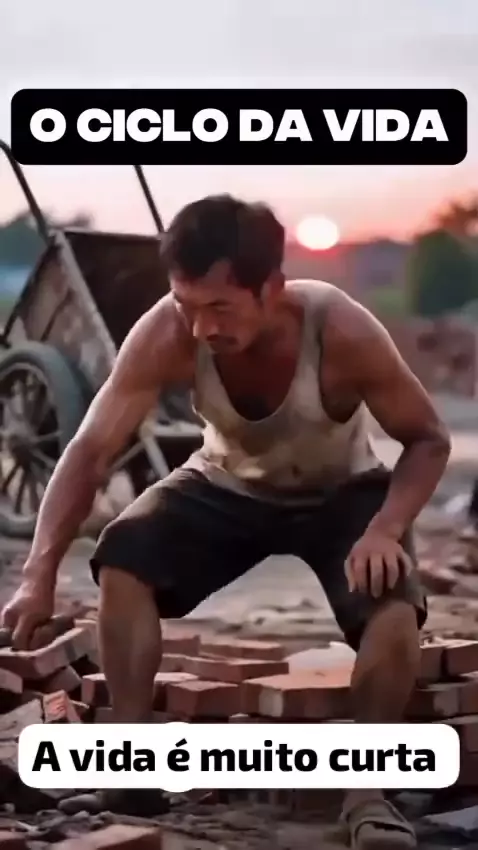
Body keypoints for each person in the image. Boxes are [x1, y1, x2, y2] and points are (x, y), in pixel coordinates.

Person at [2, 196, 450, 847]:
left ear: (272, 287)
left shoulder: (341, 331)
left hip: (342, 492)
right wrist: (38, 575)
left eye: (220, 307)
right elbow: (90, 449)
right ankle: (130, 765)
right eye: (187, 304)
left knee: (392, 597)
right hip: (226, 483)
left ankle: (368, 791)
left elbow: (428, 439)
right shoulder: (167, 333)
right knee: (123, 555)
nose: (202, 326)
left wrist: (385, 528)